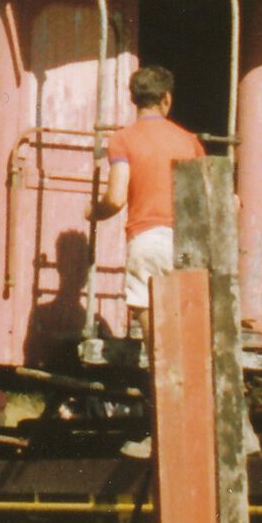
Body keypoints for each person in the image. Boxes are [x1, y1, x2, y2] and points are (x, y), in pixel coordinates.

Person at [95, 66, 206, 332]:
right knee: (185, 317)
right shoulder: (190, 141)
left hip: (147, 237)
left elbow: (115, 199)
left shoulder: (122, 139)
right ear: (167, 98)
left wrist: (93, 211)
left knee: (145, 305)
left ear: (134, 99)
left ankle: (159, 370)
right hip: (186, 240)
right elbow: (206, 193)